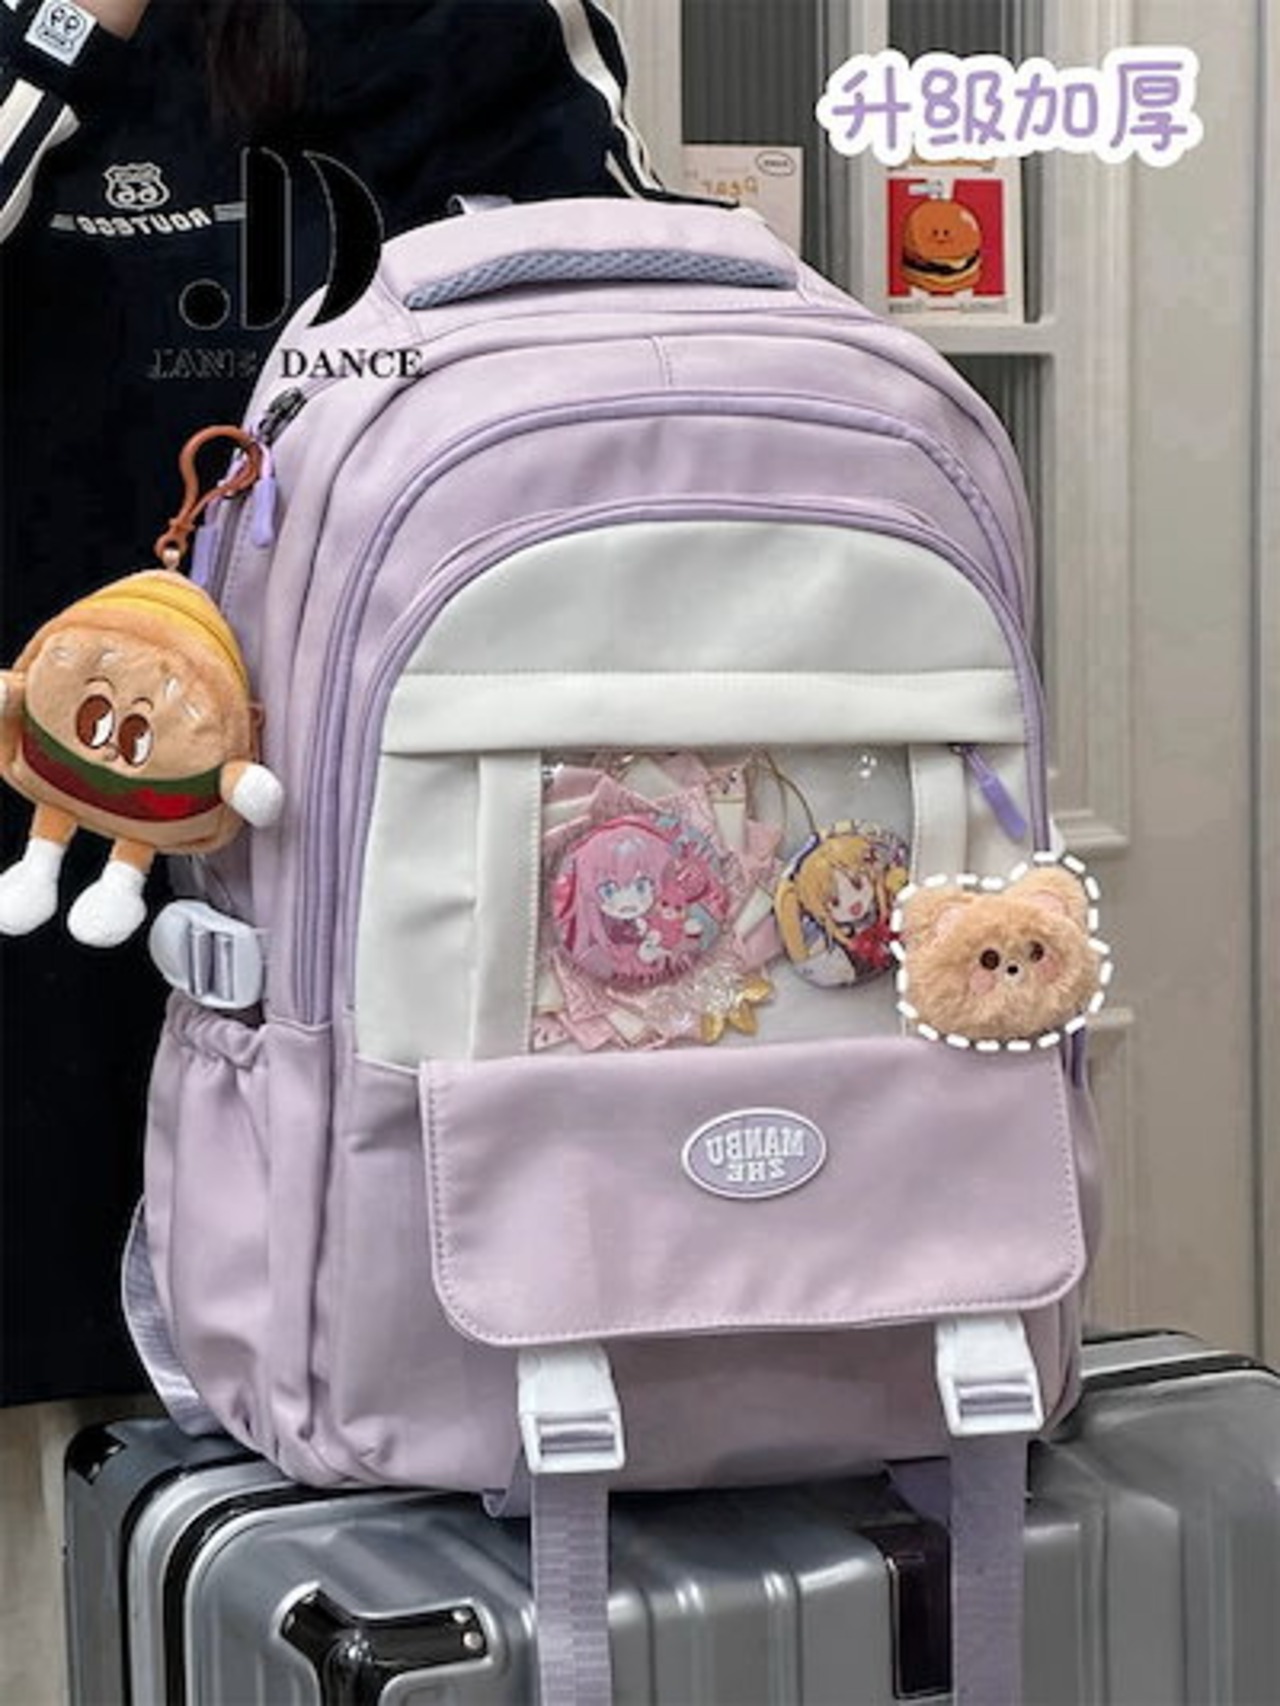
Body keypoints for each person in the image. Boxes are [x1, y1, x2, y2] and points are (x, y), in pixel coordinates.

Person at [0, 0, 664, 1407]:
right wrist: (70, 28)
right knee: (64, 1368)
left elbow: (633, 300)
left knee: (374, 1336)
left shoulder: (475, 24)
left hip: (379, 808)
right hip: (61, 790)